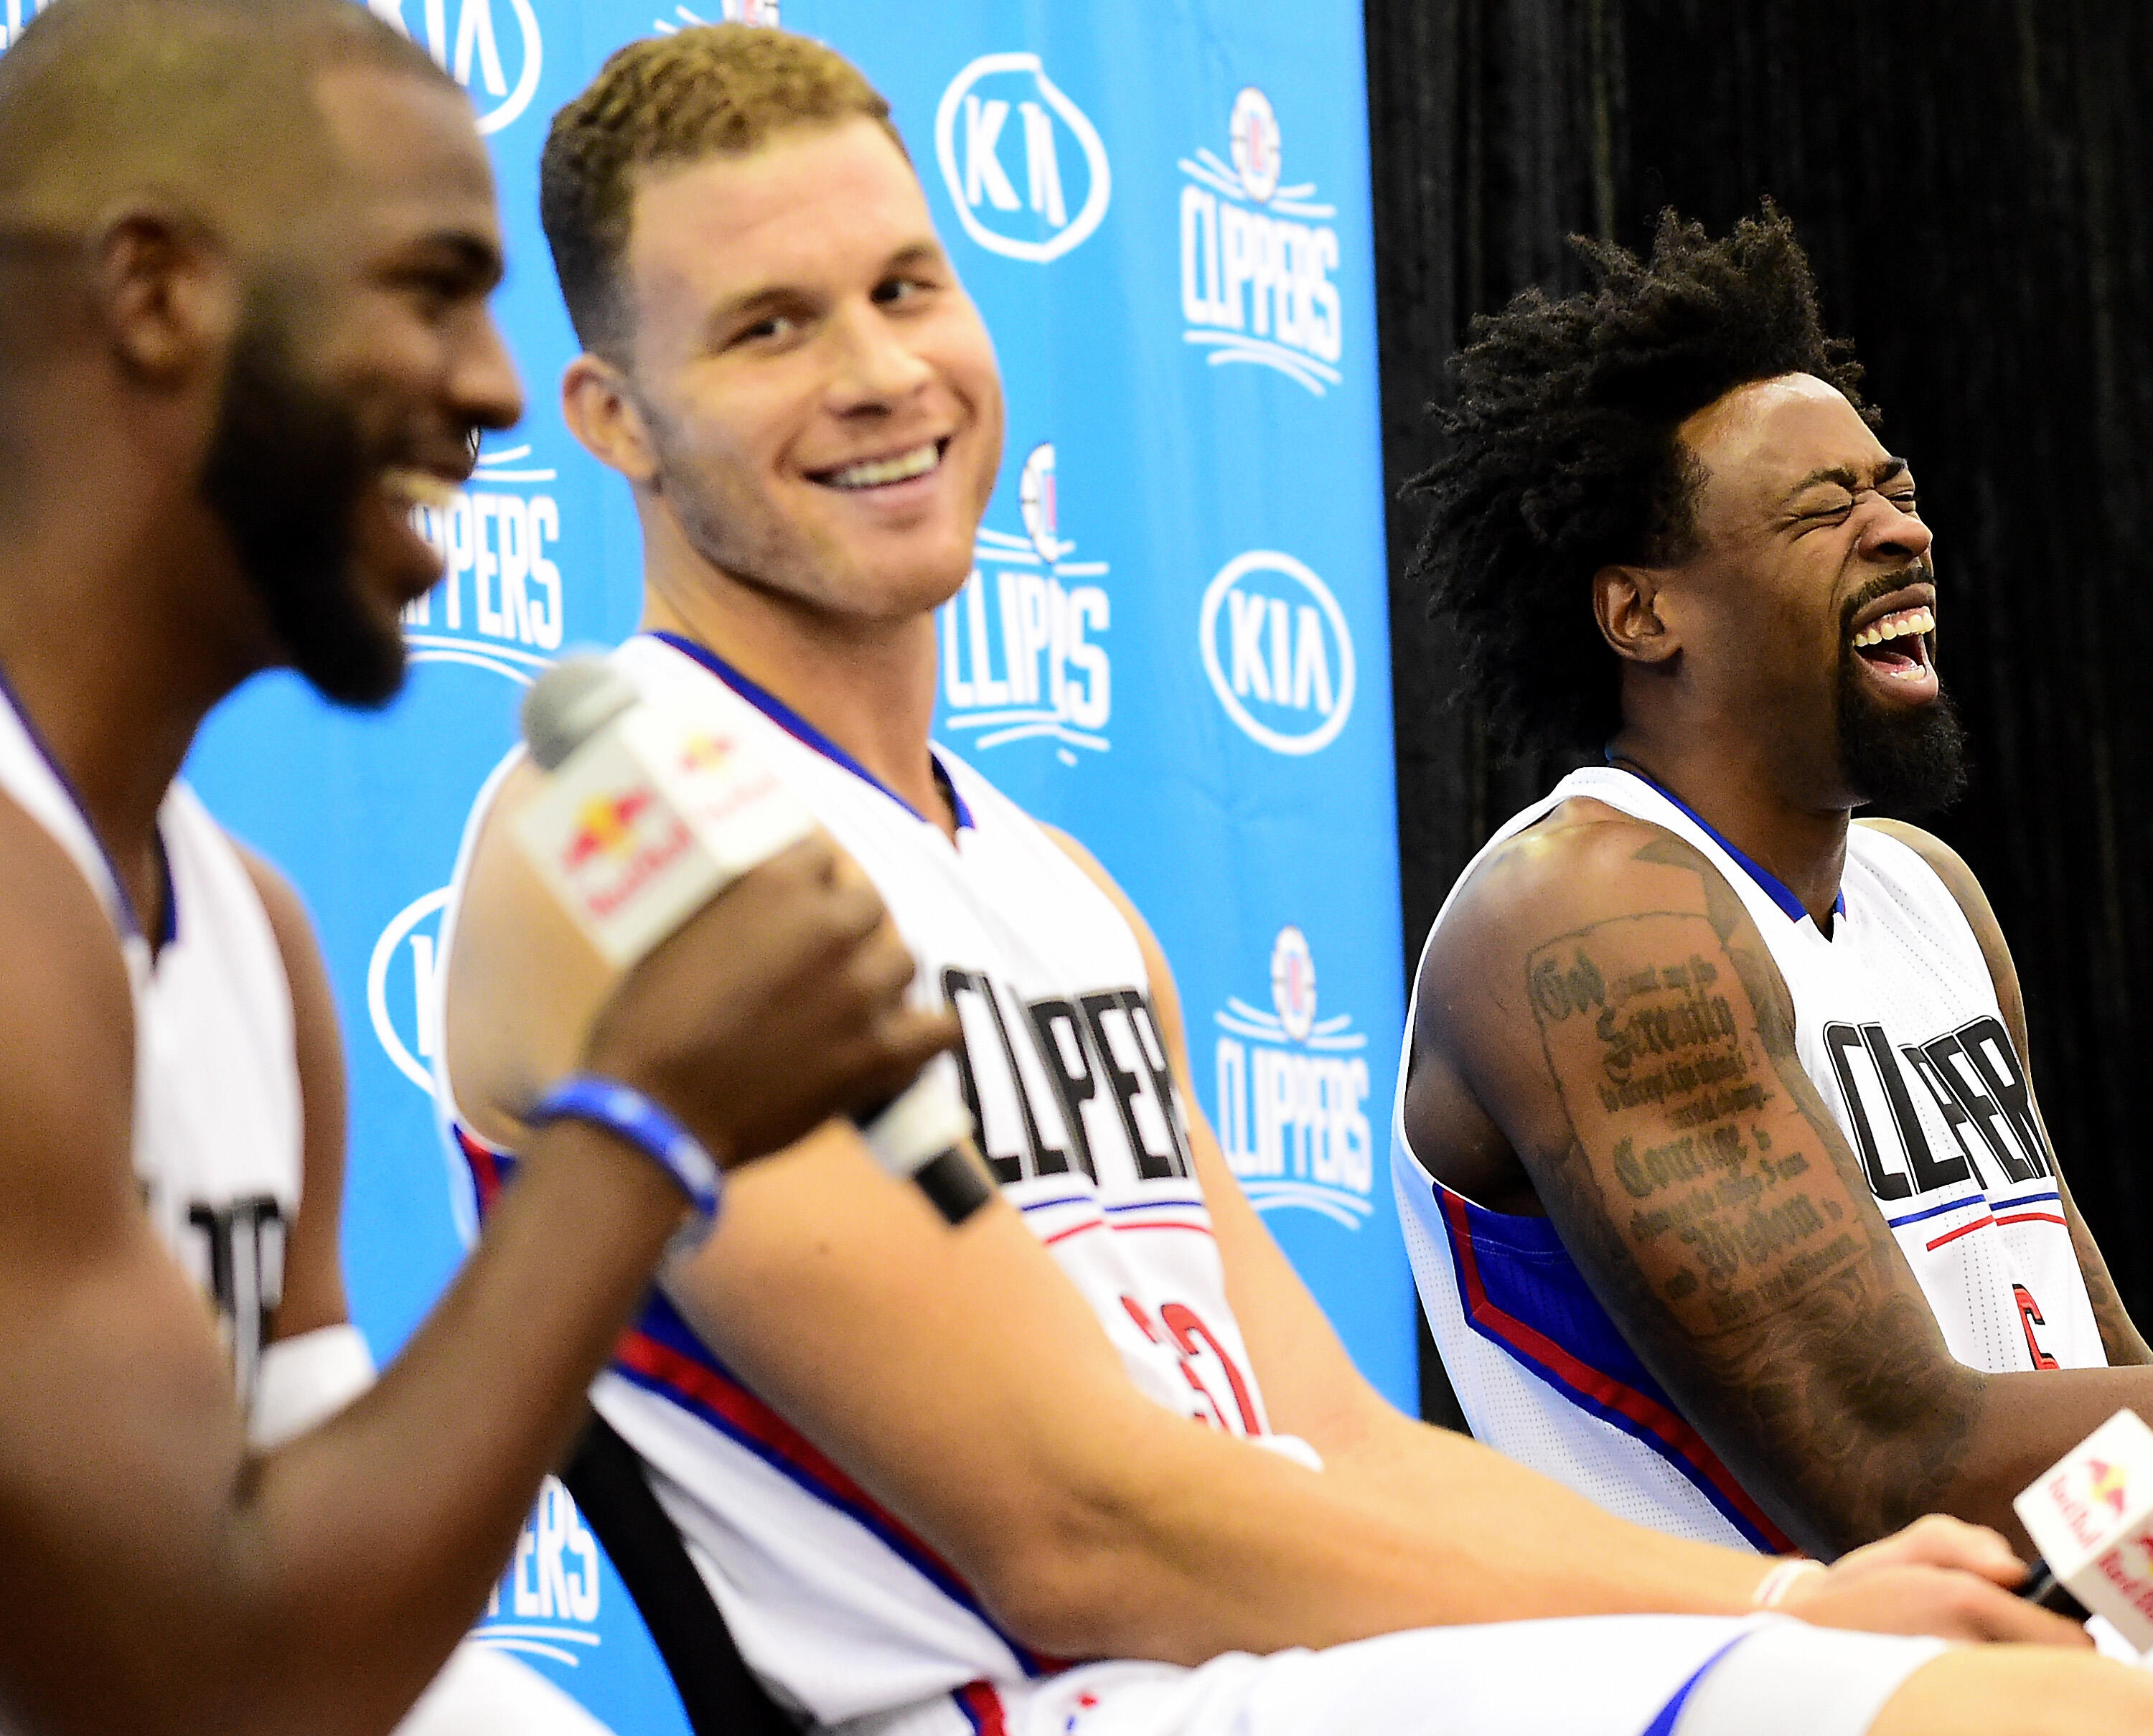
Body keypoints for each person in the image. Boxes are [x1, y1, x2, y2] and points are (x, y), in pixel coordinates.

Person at [438, 27, 2153, 1736]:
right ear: (613, 421)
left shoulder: (1057, 890)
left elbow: (1334, 1439)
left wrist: (1807, 1612)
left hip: (1298, 1667)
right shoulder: (620, 834)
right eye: (770, 325)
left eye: (906, 288)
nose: (880, 370)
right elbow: (1082, 1532)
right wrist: (1783, 1605)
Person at [0, 3, 960, 1733]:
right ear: (155, 296)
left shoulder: (244, 932)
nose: (494, 389)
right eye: (428, 288)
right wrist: (646, 1126)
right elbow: (204, 1683)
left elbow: (322, 1613)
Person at [1391, 205, 2153, 1569]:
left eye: (1897, 492)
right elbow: (1892, 1467)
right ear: (1644, 614)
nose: (1900, 533)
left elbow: (2088, 1370)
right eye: (1826, 510)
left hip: (2010, 1675)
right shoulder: (1583, 921)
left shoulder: (1928, 899)